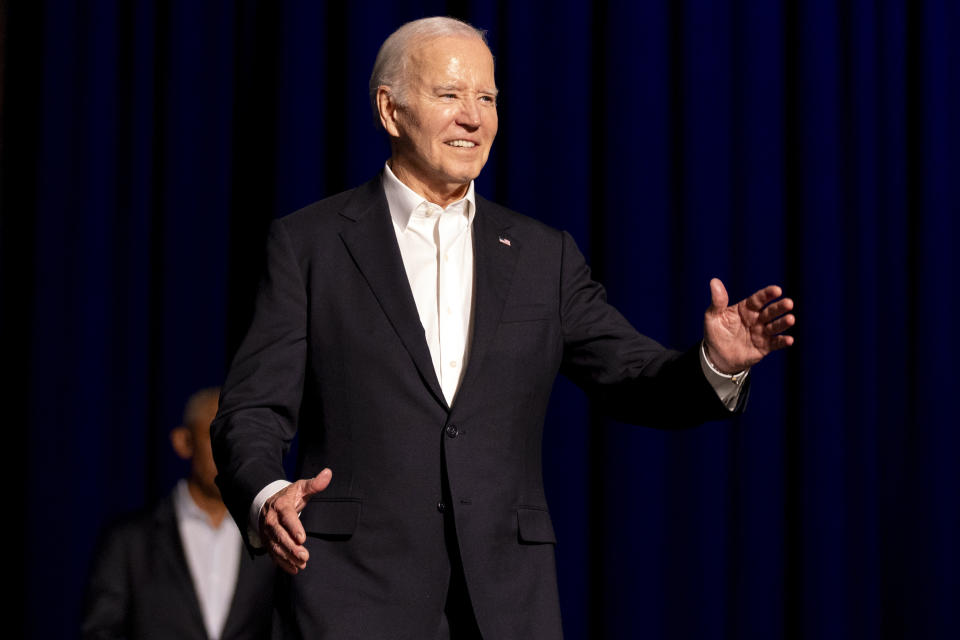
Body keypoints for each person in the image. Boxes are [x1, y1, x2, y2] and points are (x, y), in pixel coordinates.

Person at [211, 16, 795, 640]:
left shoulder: (544, 256)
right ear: (390, 111)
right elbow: (250, 409)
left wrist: (715, 361)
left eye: (487, 98)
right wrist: (267, 490)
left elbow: (634, 377)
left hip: (507, 603)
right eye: (450, 95)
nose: (475, 117)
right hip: (352, 598)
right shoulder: (311, 244)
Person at [83, 388, 275, 640]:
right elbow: (101, 631)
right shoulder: (130, 540)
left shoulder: (271, 538)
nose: (230, 451)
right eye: (217, 435)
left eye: (239, 439)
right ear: (184, 441)